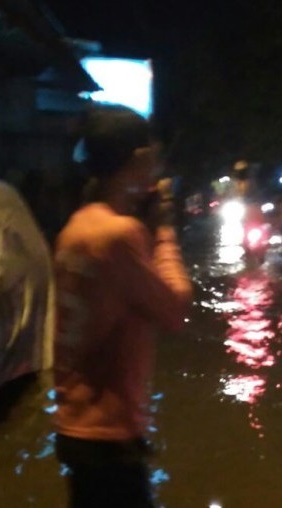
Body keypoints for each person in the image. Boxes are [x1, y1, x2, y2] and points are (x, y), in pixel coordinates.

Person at [53, 105, 192, 508]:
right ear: (138, 160)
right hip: (110, 438)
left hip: (74, 429)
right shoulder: (119, 235)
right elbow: (175, 309)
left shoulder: (75, 227)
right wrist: (164, 231)